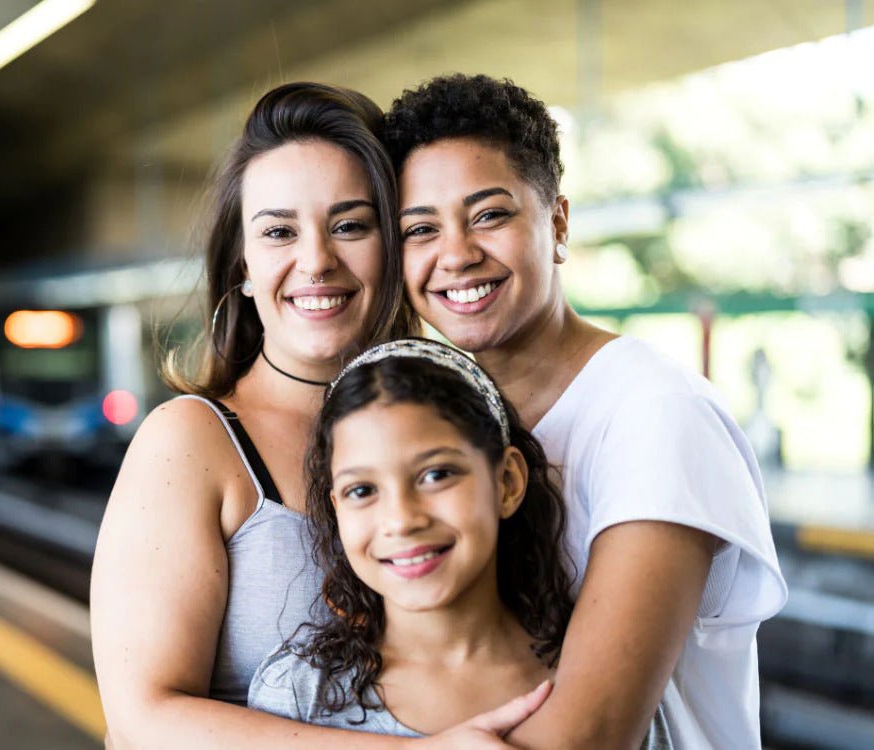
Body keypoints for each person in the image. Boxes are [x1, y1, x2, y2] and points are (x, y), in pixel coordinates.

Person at [91, 82, 548, 750]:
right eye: (278, 232)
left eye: (350, 225)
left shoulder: (466, 419)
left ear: (393, 242)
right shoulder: (191, 440)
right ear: (243, 265)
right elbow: (140, 719)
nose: (315, 262)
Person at [383, 74, 788, 748]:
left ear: (558, 221)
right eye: (420, 229)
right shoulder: (445, 425)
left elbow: (590, 734)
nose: (455, 254)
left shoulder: (655, 414)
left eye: (489, 214)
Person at [248, 338, 672, 748]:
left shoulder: (595, 692)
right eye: (362, 490)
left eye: (436, 475)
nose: (401, 520)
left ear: (507, 482)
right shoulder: (299, 692)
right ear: (337, 507)